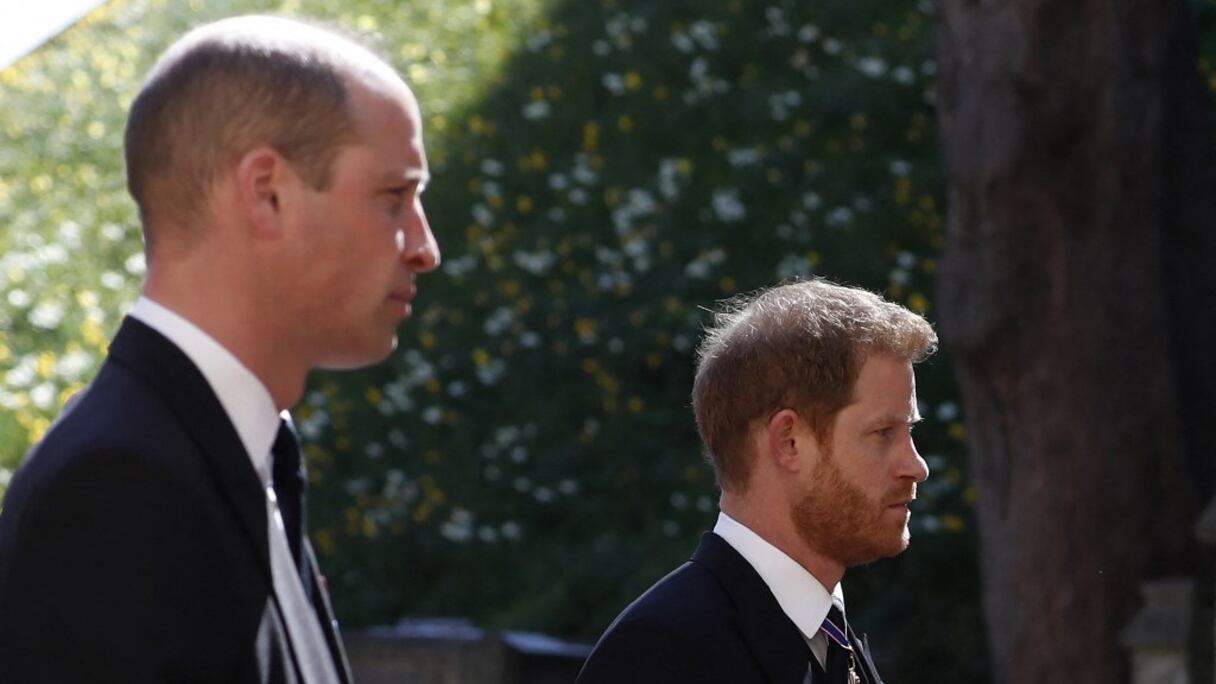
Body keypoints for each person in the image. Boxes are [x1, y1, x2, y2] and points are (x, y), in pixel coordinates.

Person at [0, 15, 439, 683]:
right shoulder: (119, 489)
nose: (425, 247)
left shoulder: (226, 452)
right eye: (394, 196)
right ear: (268, 193)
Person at [576, 279, 936, 684]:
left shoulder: (833, 642)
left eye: (909, 432)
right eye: (884, 433)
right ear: (789, 442)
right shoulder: (661, 652)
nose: (916, 466)